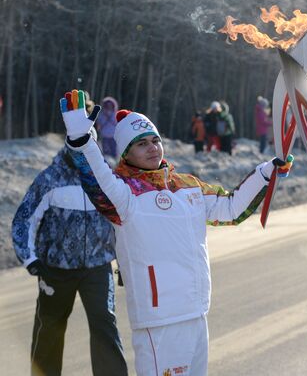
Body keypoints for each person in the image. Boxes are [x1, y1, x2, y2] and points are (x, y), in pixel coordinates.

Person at [58, 89, 293, 376]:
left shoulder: (186, 186)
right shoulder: (123, 194)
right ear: (126, 152)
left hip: (196, 312)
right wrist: (83, 143)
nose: (152, 148)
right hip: (159, 321)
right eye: (141, 144)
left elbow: (231, 208)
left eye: (155, 140)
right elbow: (97, 177)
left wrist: (265, 172)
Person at [11, 129, 127, 376]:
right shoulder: (50, 178)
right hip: (55, 268)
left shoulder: (105, 178)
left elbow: (123, 221)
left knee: (104, 327)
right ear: (68, 143)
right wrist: (30, 259)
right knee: (50, 329)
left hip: (98, 266)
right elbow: (24, 219)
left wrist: (126, 261)